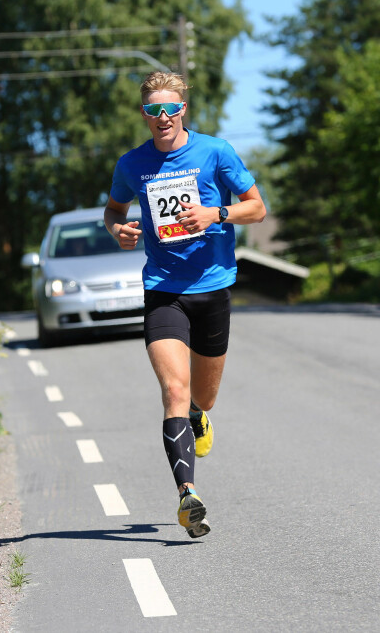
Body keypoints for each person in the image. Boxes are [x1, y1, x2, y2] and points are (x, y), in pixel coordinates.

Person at [104, 72, 266, 538]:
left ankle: (199, 415)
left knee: (203, 396)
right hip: (163, 290)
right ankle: (188, 495)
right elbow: (114, 210)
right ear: (144, 115)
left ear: (183, 110)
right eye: (153, 109)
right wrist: (119, 230)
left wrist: (217, 213)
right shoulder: (132, 164)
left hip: (212, 287)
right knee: (174, 390)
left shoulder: (215, 152)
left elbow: (257, 208)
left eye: (170, 108)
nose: (163, 117)